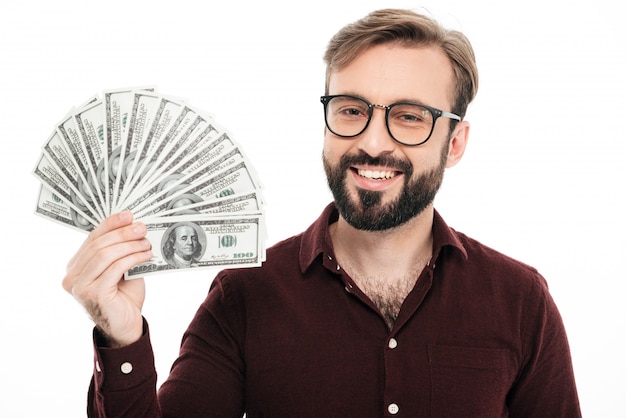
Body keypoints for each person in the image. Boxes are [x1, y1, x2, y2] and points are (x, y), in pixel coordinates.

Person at [62, 8, 582, 417]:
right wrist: (122, 336)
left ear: (455, 142)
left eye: (409, 117)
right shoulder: (244, 296)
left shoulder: (521, 302)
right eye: (352, 110)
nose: (372, 142)